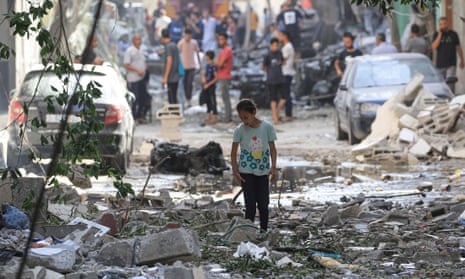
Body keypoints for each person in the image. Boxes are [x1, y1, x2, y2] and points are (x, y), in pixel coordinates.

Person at [231, 99, 277, 233]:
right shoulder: (239, 130)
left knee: (263, 204)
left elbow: (273, 149)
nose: (245, 121)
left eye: (246, 117)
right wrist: (235, 171)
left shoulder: (267, 127)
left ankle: (263, 231)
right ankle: (249, 232)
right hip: (246, 171)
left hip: (263, 171)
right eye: (241, 118)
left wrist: (273, 167)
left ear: (254, 112)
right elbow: (233, 152)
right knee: (250, 205)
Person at [432, 17, 465, 93]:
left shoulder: (453, 34)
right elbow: (434, 46)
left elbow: (458, 47)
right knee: (441, 84)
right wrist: (440, 35)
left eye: (444, 23)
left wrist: (462, 60)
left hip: (451, 63)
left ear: (447, 24)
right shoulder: (436, 34)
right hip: (440, 63)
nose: (443, 26)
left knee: (450, 82)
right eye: (441, 24)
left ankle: (451, 98)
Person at [124, 34, 148, 123]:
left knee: (143, 98)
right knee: (135, 98)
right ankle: (133, 117)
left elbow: (144, 61)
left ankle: (140, 116)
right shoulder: (129, 51)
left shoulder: (143, 49)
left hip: (142, 78)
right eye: (137, 40)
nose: (139, 42)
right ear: (133, 41)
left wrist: (144, 67)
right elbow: (126, 64)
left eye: (140, 40)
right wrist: (137, 70)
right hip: (133, 78)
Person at [262, 38, 285, 124]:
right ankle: (275, 117)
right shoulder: (267, 55)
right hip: (271, 79)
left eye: (277, 45)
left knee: (284, 97)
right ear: (270, 45)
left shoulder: (279, 53)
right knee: (273, 98)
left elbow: (282, 62)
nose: (275, 47)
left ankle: (276, 112)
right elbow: (263, 67)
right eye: (273, 45)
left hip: (280, 77)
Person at [178, 28, 201, 107]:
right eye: (187, 35)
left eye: (190, 35)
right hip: (183, 67)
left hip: (192, 66)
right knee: (184, 84)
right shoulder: (181, 43)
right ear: (185, 35)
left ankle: (189, 100)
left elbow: (197, 53)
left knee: (189, 84)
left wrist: (199, 65)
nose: (188, 37)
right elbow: (178, 54)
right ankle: (185, 99)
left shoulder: (194, 42)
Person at [216, 33, 234, 123]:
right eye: (219, 39)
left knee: (225, 97)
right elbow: (219, 63)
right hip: (222, 75)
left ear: (226, 40)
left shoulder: (227, 50)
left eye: (222, 39)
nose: (220, 41)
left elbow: (219, 63)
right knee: (224, 96)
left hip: (225, 75)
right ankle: (227, 116)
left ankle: (228, 117)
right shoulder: (223, 50)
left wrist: (217, 63)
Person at [161, 28, 181, 104]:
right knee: (174, 96)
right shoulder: (173, 45)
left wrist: (165, 77)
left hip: (171, 77)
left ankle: (174, 114)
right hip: (176, 75)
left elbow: (169, 61)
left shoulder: (168, 47)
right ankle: (175, 112)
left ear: (162, 37)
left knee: (171, 98)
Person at [279, 30, 295, 122]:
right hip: (286, 72)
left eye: (280, 35)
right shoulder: (287, 46)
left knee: (286, 95)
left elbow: (283, 60)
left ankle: (288, 114)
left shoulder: (287, 47)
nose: (279, 38)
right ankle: (287, 114)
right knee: (286, 94)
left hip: (286, 72)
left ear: (285, 36)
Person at [201, 50, 218, 126]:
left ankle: (214, 117)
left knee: (212, 101)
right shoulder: (207, 65)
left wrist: (208, 84)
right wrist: (204, 79)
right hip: (206, 85)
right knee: (207, 100)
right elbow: (205, 74)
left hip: (211, 86)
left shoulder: (214, 66)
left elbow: (216, 78)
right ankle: (208, 116)